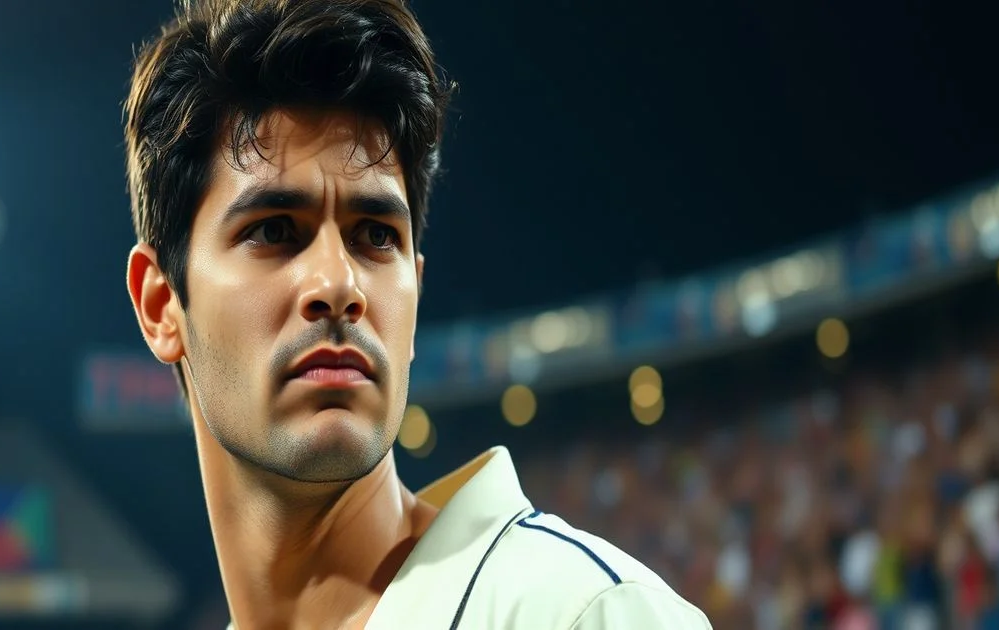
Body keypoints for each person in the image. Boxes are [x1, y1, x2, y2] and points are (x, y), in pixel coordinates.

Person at [122, 0, 710, 627]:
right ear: (162, 306)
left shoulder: (581, 613)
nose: (339, 283)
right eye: (274, 230)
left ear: (415, 293)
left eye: (375, 235)